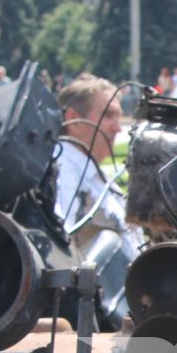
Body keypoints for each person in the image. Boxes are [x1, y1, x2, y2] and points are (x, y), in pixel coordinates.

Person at [53, 74, 137, 256]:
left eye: (119, 117)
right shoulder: (61, 170)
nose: (118, 127)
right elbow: (60, 244)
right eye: (108, 115)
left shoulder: (88, 171)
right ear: (73, 118)